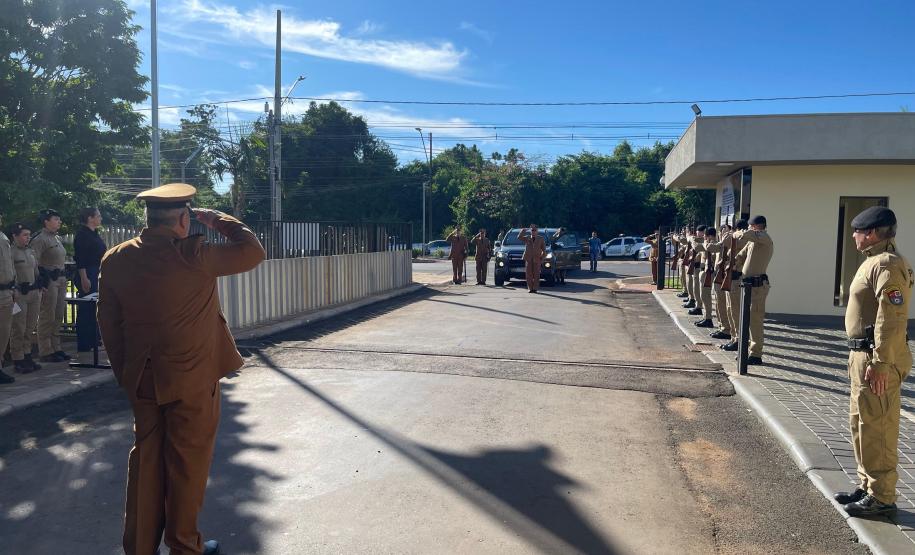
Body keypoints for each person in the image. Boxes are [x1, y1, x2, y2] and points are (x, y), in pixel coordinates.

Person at [97, 184, 265, 555]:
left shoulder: (115, 257)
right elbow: (253, 251)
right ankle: (184, 545)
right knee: (187, 464)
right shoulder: (194, 253)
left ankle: (140, 548)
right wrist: (217, 218)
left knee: (146, 461)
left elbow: (107, 320)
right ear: (184, 219)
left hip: (141, 376)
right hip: (192, 379)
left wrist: (125, 371)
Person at [834, 206, 913, 518]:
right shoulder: (874, 262)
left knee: (878, 426)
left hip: (875, 357)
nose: (854, 235)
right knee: (861, 423)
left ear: (871, 233)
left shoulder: (887, 265)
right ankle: (867, 485)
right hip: (862, 355)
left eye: (857, 231)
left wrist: (880, 363)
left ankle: (882, 496)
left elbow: (891, 318)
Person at [726, 215, 774, 364]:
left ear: (756, 226)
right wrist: (733, 262)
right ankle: (745, 350)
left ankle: (756, 354)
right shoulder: (753, 242)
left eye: (751, 226)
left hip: (758, 286)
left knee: (755, 321)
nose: (749, 229)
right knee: (745, 319)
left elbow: (747, 235)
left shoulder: (764, 238)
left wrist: (738, 232)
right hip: (747, 285)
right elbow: (741, 254)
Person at [31, 209, 70, 363]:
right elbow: (34, 262)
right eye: (56, 219)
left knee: (59, 314)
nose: (59, 221)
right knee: (48, 314)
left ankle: (56, 347)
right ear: (46, 221)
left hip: (60, 279)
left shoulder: (56, 238)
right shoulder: (40, 239)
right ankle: (45, 350)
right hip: (50, 281)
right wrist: (41, 280)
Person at [74, 207, 107, 360]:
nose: (100, 218)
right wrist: (84, 277)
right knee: (86, 307)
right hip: (87, 273)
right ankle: (84, 342)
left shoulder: (94, 234)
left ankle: (94, 339)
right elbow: (80, 258)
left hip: (97, 272)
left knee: (95, 307)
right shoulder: (82, 235)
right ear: (90, 218)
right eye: (98, 216)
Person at [9, 223, 42, 374]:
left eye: (29, 235)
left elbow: (35, 270)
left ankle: (27, 354)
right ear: (15, 236)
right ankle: (17, 358)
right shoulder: (11, 252)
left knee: (30, 326)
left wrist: (40, 282)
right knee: (19, 327)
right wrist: (14, 287)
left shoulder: (30, 251)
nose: (27, 238)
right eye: (24, 235)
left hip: (34, 292)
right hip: (20, 293)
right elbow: (10, 273)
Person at [719, 219, 750, 352]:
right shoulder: (741, 238)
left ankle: (738, 339)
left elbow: (722, 244)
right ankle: (734, 337)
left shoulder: (740, 238)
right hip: (731, 276)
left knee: (735, 311)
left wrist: (728, 233)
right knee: (730, 309)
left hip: (736, 276)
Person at [709, 224, 733, 341]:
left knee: (724, 305)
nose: (723, 233)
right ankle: (721, 326)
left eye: (726, 231)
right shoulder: (721, 245)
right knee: (719, 304)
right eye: (722, 231)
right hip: (718, 276)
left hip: (725, 276)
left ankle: (726, 329)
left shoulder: (730, 244)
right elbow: (710, 248)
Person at [0, 214, 16, 384]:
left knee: (4, 332)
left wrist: (13, 286)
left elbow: (9, 264)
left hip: (6, 291)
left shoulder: (3, 237)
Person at [694, 226, 717, 327]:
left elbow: (696, 247)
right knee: (703, 296)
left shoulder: (712, 244)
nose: (704, 238)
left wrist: (692, 239)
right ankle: (706, 317)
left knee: (706, 296)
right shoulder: (707, 244)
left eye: (705, 236)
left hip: (708, 273)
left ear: (709, 236)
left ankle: (708, 318)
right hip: (703, 272)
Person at [519, 224, 546, 293]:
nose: (533, 231)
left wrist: (542, 258)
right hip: (528, 258)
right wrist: (523, 231)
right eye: (532, 230)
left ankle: (535, 288)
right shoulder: (527, 237)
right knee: (528, 274)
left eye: (534, 230)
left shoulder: (541, 239)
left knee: (536, 274)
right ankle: (530, 288)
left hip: (537, 259)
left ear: (537, 231)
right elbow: (519, 237)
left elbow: (544, 250)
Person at [686, 226, 706, 316]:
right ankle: (696, 304)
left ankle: (699, 306)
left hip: (700, 268)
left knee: (699, 290)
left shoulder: (703, 241)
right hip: (696, 268)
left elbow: (697, 248)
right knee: (695, 288)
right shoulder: (698, 240)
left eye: (698, 232)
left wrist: (692, 239)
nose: (697, 233)